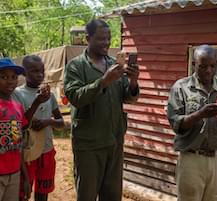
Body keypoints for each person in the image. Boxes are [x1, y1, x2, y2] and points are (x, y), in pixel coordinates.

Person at [64, 19, 139, 201]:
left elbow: (128, 97)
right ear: (88, 38)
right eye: (100, 39)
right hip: (88, 145)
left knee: (112, 195)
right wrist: (103, 82)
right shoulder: (76, 66)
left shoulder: (115, 65)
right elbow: (75, 97)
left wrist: (134, 81)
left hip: (113, 142)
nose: (106, 43)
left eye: (108, 38)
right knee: (87, 195)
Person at [0, 58, 50, 201]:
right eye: (3, 77)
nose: (10, 81)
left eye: (14, 77)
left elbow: (15, 143)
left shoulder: (16, 107)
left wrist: (24, 176)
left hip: (14, 175)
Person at [167, 44, 217, 201]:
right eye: (203, 66)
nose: (208, 70)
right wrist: (199, 114)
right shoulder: (181, 88)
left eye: (212, 66)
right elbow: (176, 124)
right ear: (194, 64)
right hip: (191, 159)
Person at [13, 55, 64, 201]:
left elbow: (61, 122)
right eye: (34, 71)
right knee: (23, 193)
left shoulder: (50, 95)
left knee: (43, 193)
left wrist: (48, 122)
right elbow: (18, 126)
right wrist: (36, 102)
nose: (40, 75)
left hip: (46, 151)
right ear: (24, 72)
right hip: (27, 154)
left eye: (42, 71)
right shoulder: (17, 94)